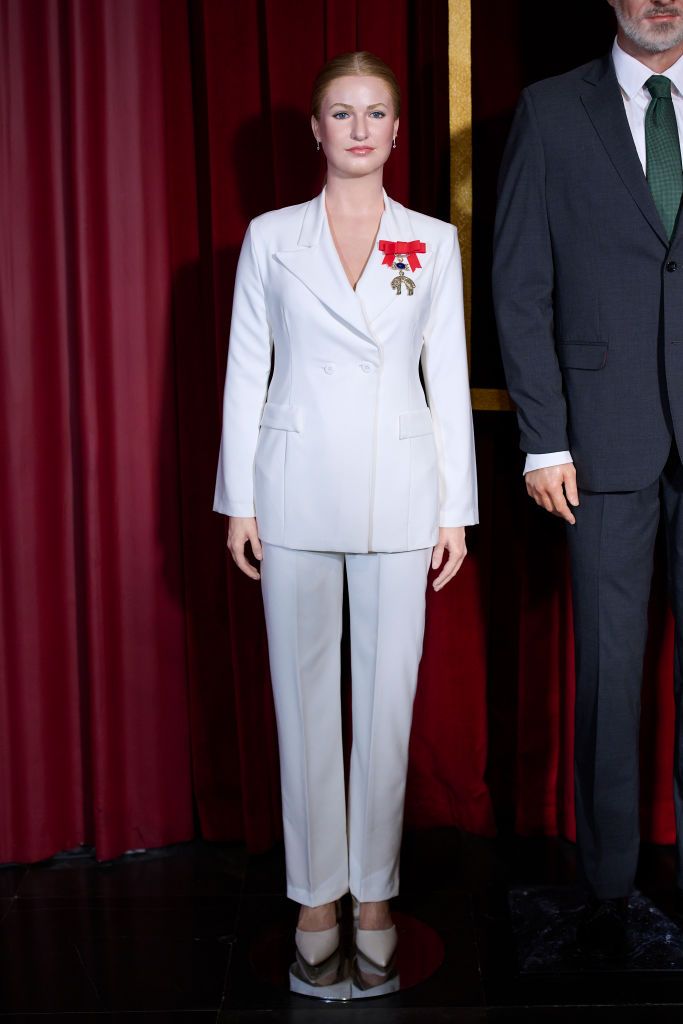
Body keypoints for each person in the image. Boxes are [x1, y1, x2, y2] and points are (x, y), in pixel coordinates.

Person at [214, 51, 477, 969]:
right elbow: (248, 369)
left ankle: (374, 891)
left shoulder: (432, 242)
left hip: (399, 493)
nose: (358, 128)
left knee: (386, 703)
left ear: (398, 132)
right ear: (315, 129)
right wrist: (237, 500)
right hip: (289, 490)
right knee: (303, 702)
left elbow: (443, 376)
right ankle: (314, 892)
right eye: (340, 111)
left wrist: (456, 511)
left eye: (374, 113)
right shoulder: (269, 237)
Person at [494, 0, 683, 957]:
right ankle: (609, 893)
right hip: (599, 447)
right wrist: (542, 439)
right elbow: (520, 281)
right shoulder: (549, 110)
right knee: (608, 677)